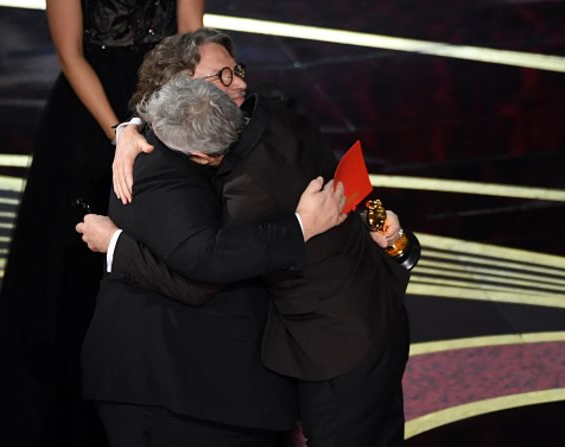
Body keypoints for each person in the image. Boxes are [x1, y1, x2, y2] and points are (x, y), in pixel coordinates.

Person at [81, 28, 412, 446]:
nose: (238, 82)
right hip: (370, 315)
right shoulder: (274, 109)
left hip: (337, 347)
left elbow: (201, 272)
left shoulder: (243, 181)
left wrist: (114, 245)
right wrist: (128, 128)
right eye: (221, 76)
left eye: (237, 71)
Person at [0, 2, 204, 446]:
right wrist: (119, 129)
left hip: (164, 100)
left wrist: (181, 117)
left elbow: (192, 37)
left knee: (171, 251)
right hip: (92, 113)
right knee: (78, 274)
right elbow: (70, 54)